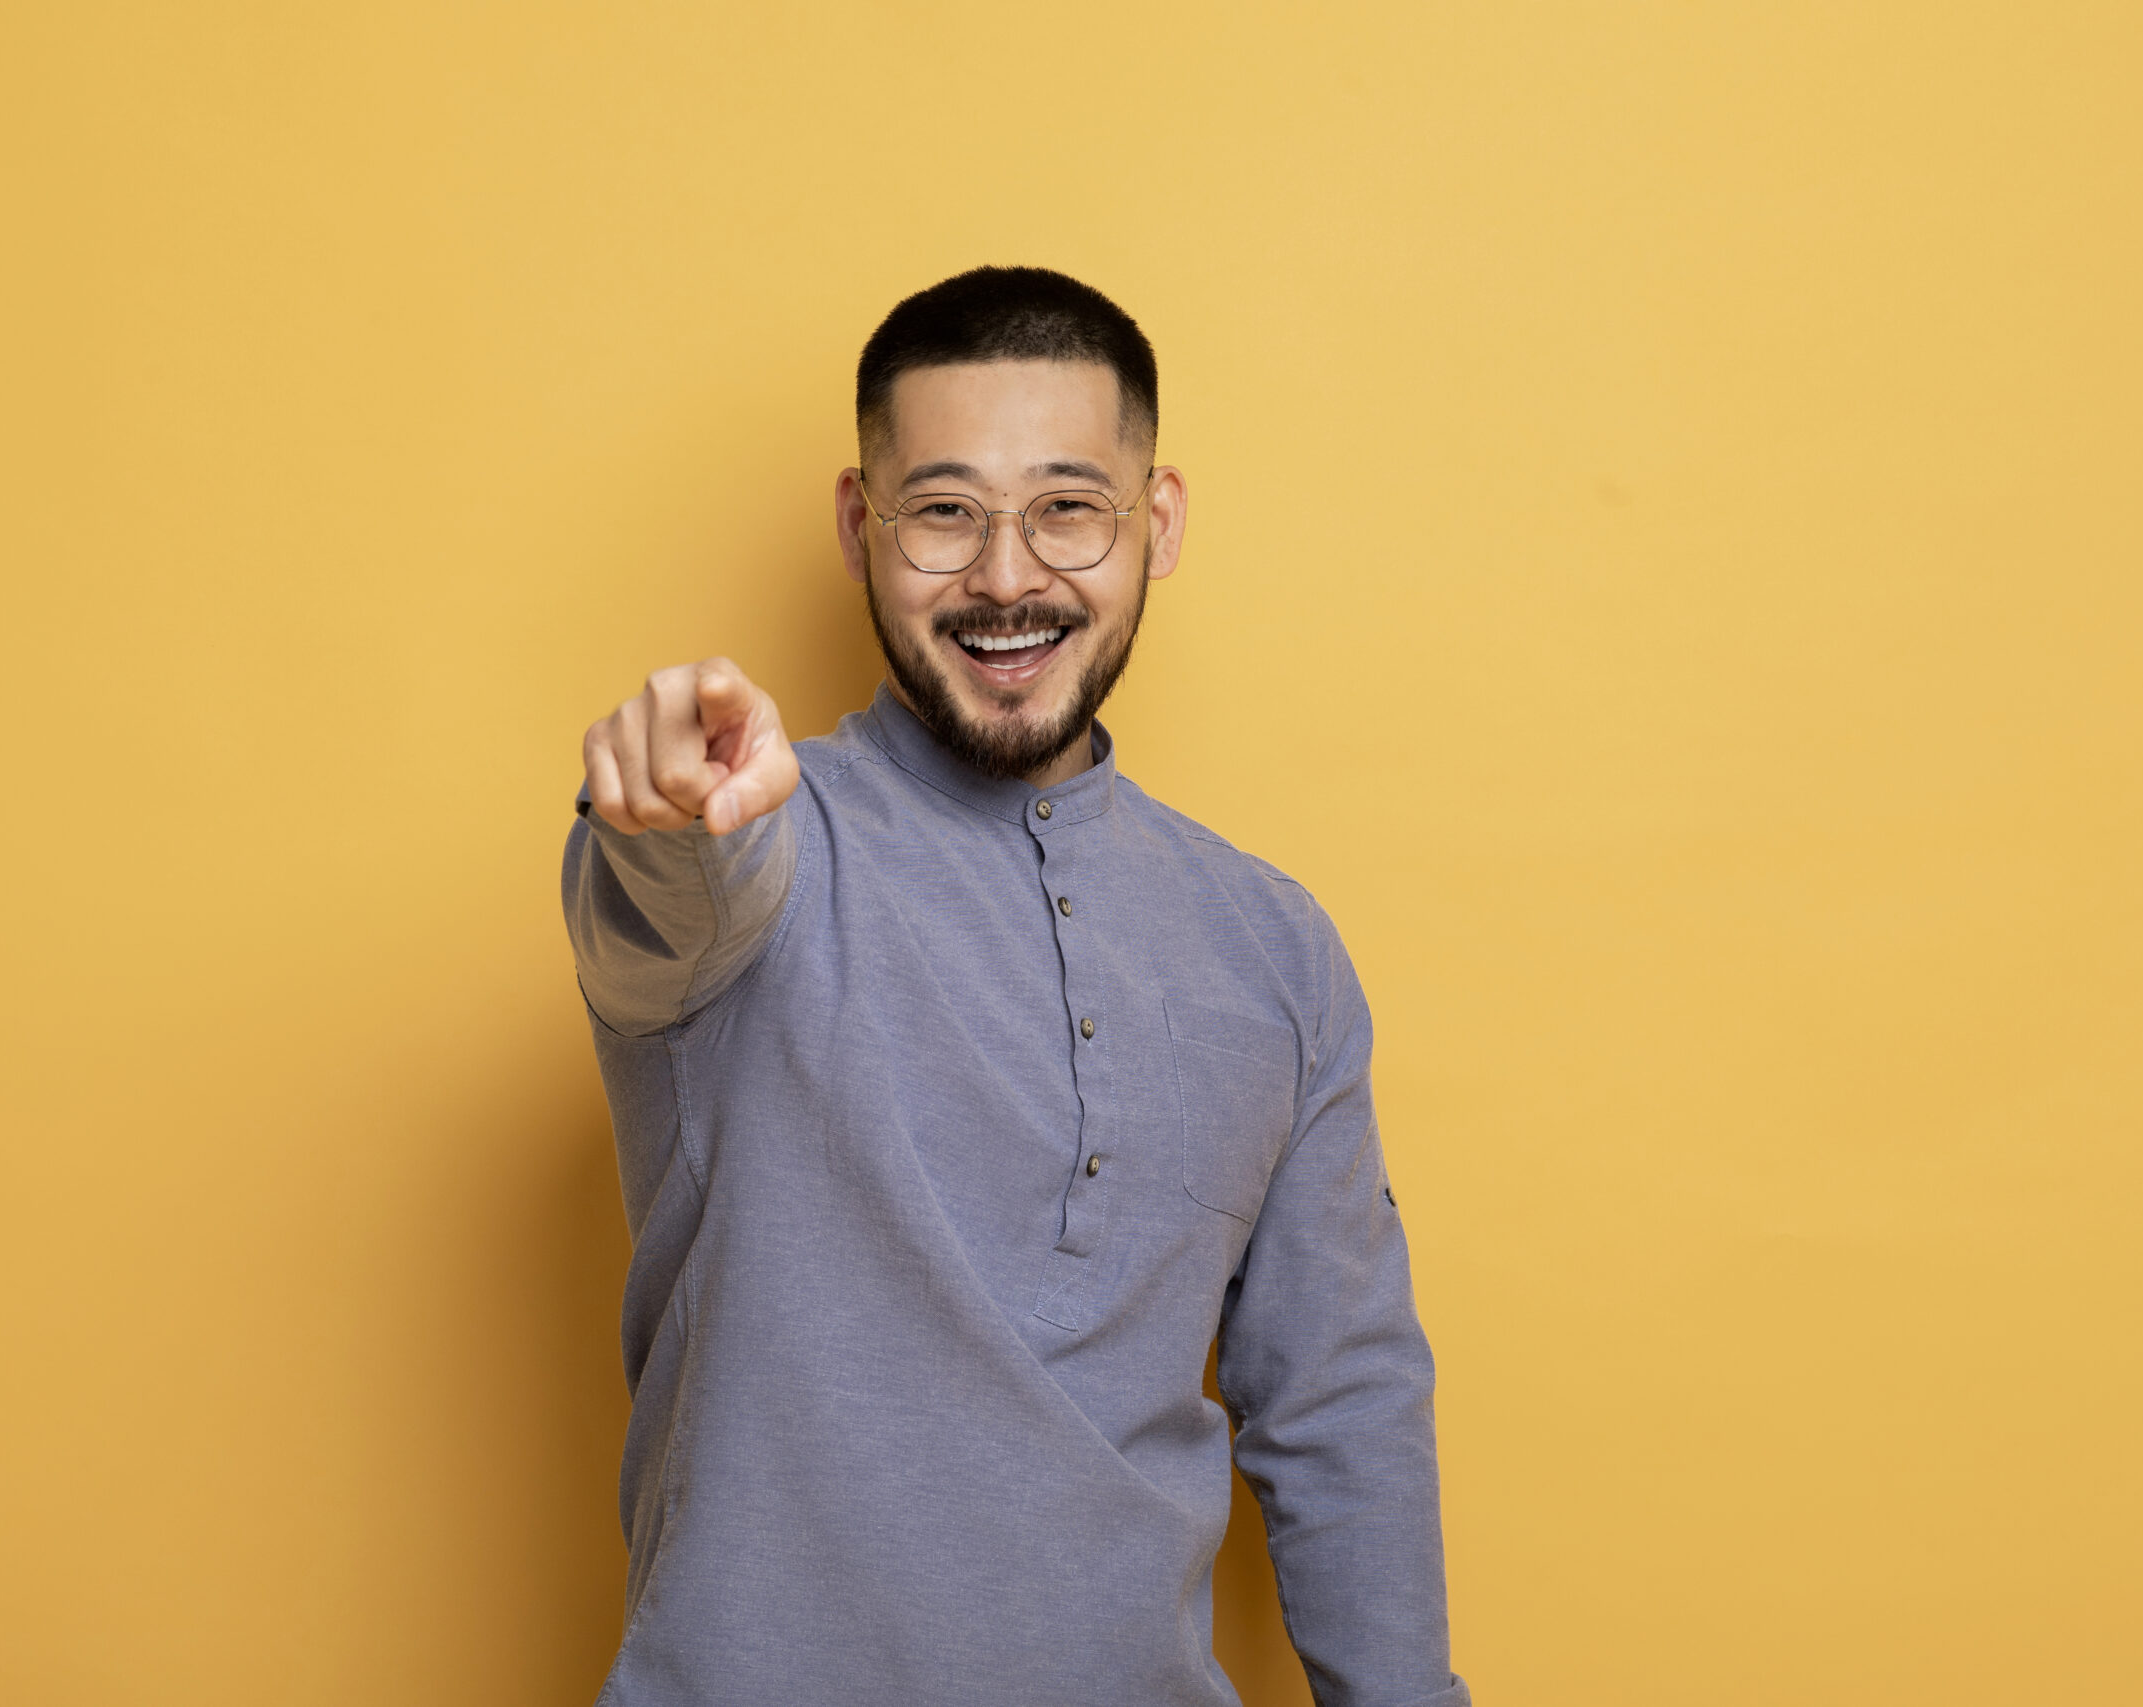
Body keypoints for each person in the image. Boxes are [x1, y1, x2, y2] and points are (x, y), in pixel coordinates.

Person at [560, 266, 1467, 1707]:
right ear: (862, 528)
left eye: (1066, 507)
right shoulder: (764, 842)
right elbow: (659, 914)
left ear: (1153, 525)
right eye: (943, 512)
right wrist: (658, 816)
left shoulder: (1275, 946)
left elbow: (1342, 1402)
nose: (1005, 575)